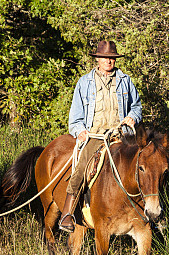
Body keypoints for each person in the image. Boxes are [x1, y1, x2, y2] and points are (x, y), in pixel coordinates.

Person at [59, 40, 142, 232]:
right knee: (81, 167)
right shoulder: (84, 82)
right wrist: (80, 131)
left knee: (145, 163)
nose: (108, 61)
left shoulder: (125, 80)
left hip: (121, 135)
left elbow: (136, 106)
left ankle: (150, 214)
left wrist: (132, 117)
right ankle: (68, 213)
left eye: (111, 58)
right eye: (105, 57)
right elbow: (75, 116)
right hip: (95, 135)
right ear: (97, 58)